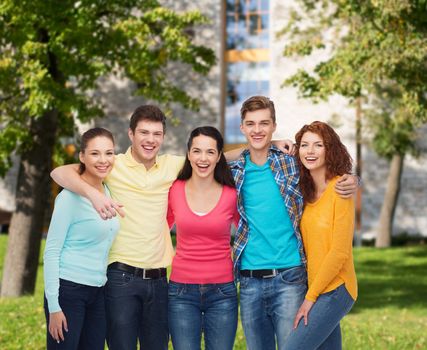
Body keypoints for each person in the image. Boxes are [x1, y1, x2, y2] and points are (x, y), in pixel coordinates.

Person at [50, 105, 293, 350]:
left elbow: (212, 156)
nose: (150, 140)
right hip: (120, 276)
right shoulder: (113, 164)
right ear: (131, 135)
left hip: (159, 280)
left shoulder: (172, 167)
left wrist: (268, 144)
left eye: (156, 134)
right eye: (144, 133)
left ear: (163, 138)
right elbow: (59, 172)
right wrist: (94, 195)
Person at [228, 96, 358, 350]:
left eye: (264, 124)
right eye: (251, 124)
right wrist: (261, 145)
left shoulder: (290, 163)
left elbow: (329, 168)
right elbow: (207, 158)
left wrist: (355, 180)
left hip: (291, 278)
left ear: (274, 125)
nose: (258, 130)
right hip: (250, 281)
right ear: (242, 127)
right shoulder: (235, 170)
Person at [43, 127, 120, 350]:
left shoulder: (109, 191)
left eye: (109, 153)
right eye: (95, 153)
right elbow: (51, 252)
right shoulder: (68, 198)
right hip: (68, 292)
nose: (103, 160)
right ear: (82, 157)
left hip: (98, 291)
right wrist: (54, 306)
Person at [284, 121, 357, 350]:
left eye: (318, 145)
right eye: (305, 145)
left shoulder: (340, 190)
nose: (310, 151)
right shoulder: (305, 192)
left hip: (336, 288)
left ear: (330, 149)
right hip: (317, 287)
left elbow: (339, 252)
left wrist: (310, 298)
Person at [167, 126, 239, 350]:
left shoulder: (231, 194)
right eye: (197, 151)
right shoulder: (174, 190)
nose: (203, 158)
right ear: (188, 155)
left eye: (210, 152)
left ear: (219, 157)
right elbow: (157, 227)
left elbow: (251, 233)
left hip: (222, 293)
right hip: (180, 292)